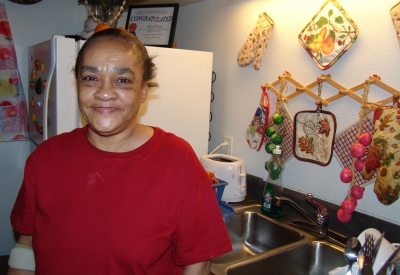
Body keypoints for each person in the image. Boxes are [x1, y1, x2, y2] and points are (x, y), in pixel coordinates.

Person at [7, 28, 232, 275]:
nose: (104, 92)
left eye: (123, 80)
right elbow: (25, 248)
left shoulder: (177, 160)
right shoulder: (45, 157)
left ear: (144, 90)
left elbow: (197, 264)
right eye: (90, 78)